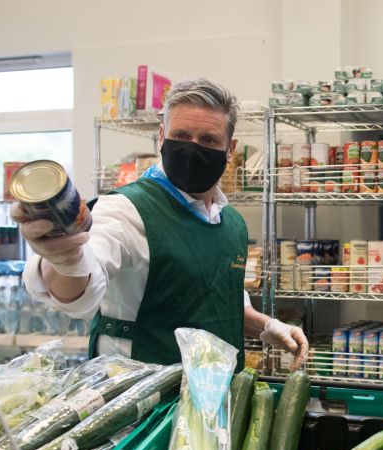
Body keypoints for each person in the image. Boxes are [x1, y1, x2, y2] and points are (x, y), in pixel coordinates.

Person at [16, 77, 308, 371]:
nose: (193, 149)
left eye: (208, 140)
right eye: (181, 136)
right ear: (161, 137)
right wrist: (64, 259)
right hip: (140, 407)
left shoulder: (231, 223)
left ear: (230, 149)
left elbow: (215, 303)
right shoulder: (125, 209)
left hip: (212, 402)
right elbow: (83, 282)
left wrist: (267, 326)